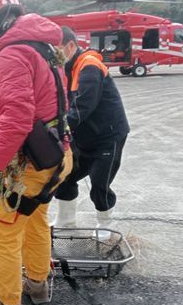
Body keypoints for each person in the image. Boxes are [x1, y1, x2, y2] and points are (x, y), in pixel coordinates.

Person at [0, 0, 73, 305]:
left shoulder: (12, 55)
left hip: (29, 164)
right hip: (56, 156)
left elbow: (15, 120)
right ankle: (38, 286)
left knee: (3, 231)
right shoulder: (42, 48)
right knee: (35, 219)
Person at [53, 26, 130, 241]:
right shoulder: (64, 67)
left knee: (99, 182)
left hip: (108, 136)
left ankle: (105, 222)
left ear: (70, 45)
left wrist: (57, 129)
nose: (55, 56)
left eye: (58, 50)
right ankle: (66, 220)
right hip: (83, 135)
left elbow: (82, 106)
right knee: (65, 173)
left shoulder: (89, 65)